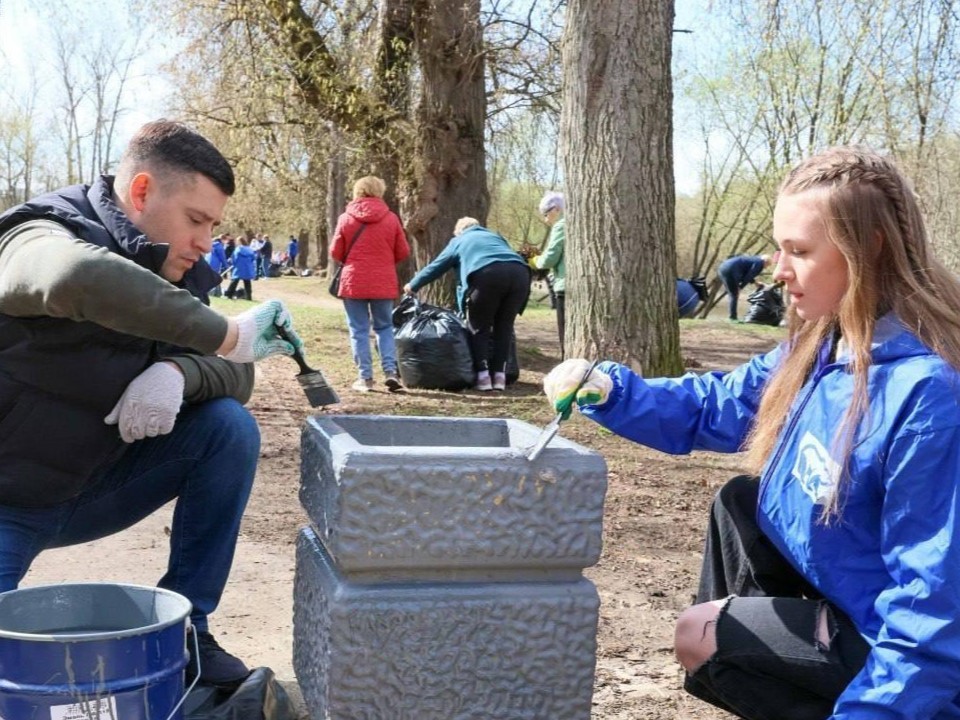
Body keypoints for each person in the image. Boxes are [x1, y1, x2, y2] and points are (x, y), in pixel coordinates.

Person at [541, 147, 960, 719]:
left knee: (700, 634)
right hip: (844, 597)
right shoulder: (822, 344)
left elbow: (935, 608)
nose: (778, 270)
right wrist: (610, 390)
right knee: (738, 504)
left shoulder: (929, 395)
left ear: (870, 249)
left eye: (800, 251)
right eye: (779, 247)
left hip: (900, 644)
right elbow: (718, 404)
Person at [0, 119, 305, 689]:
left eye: (214, 225)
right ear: (140, 192)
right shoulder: (36, 233)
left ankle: (189, 630)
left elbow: (237, 377)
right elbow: (73, 275)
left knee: (226, 427)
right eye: (196, 220)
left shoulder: (178, 268)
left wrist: (178, 370)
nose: (206, 242)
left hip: (95, 487)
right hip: (6, 503)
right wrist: (225, 335)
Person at [404, 217, 530, 391]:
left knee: (479, 327)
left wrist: (413, 285)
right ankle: (499, 377)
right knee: (504, 327)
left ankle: (483, 377)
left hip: (488, 275)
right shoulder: (495, 237)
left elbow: (437, 266)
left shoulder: (459, 240)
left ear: (459, 231)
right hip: (520, 274)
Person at [330, 175, 410, 392]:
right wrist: (383, 261)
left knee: (359, 329)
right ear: (379, 191)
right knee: (384, 327)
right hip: (383, 281)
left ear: (358, 191)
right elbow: (403, 250)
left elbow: (335, 251)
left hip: (353, 280)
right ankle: (391, 372)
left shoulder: (346, 218)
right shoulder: (391, 218)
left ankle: (365, 378)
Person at [529, 191, 566, 358]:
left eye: (546, 214)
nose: (546, 219)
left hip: (565, 286)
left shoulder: (561, 225)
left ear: (556, 209)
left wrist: (534, 261)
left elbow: (550, 258)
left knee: (565, 333)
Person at [717, 253, 773, 321]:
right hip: (732, 270)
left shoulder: (753, 259)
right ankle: (733, 317)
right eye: (767, 265)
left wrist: (755, 282)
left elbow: (746, 272)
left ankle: (732, 316)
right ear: (765, 262)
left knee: (732, 293)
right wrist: (741, 287)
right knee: (734, 294)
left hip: (722, 267)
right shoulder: (759, 263)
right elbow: (749, 276)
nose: (765, 267)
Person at [224, 235, 257, 301]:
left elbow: (234, 258)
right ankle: (249, 297)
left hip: (239, 267)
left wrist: (233, 263)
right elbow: (253, 258)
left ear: (239, 242)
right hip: (247, 268)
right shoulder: (250, 249)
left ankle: (229, 295)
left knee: (234, 282)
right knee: (247, 283)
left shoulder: (238, 249)